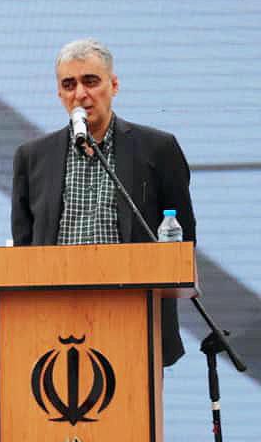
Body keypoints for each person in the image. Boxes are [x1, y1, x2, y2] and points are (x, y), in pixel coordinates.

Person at [12, 37, 196, 367]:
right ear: (59, 94)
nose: (80, 94)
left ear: (114, 85)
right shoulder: (32, 157)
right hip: (53, 325)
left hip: (135, 320)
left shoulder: (157, 149)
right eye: (69, 84)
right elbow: (24, 249)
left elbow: (183, 241)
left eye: (91, 81)